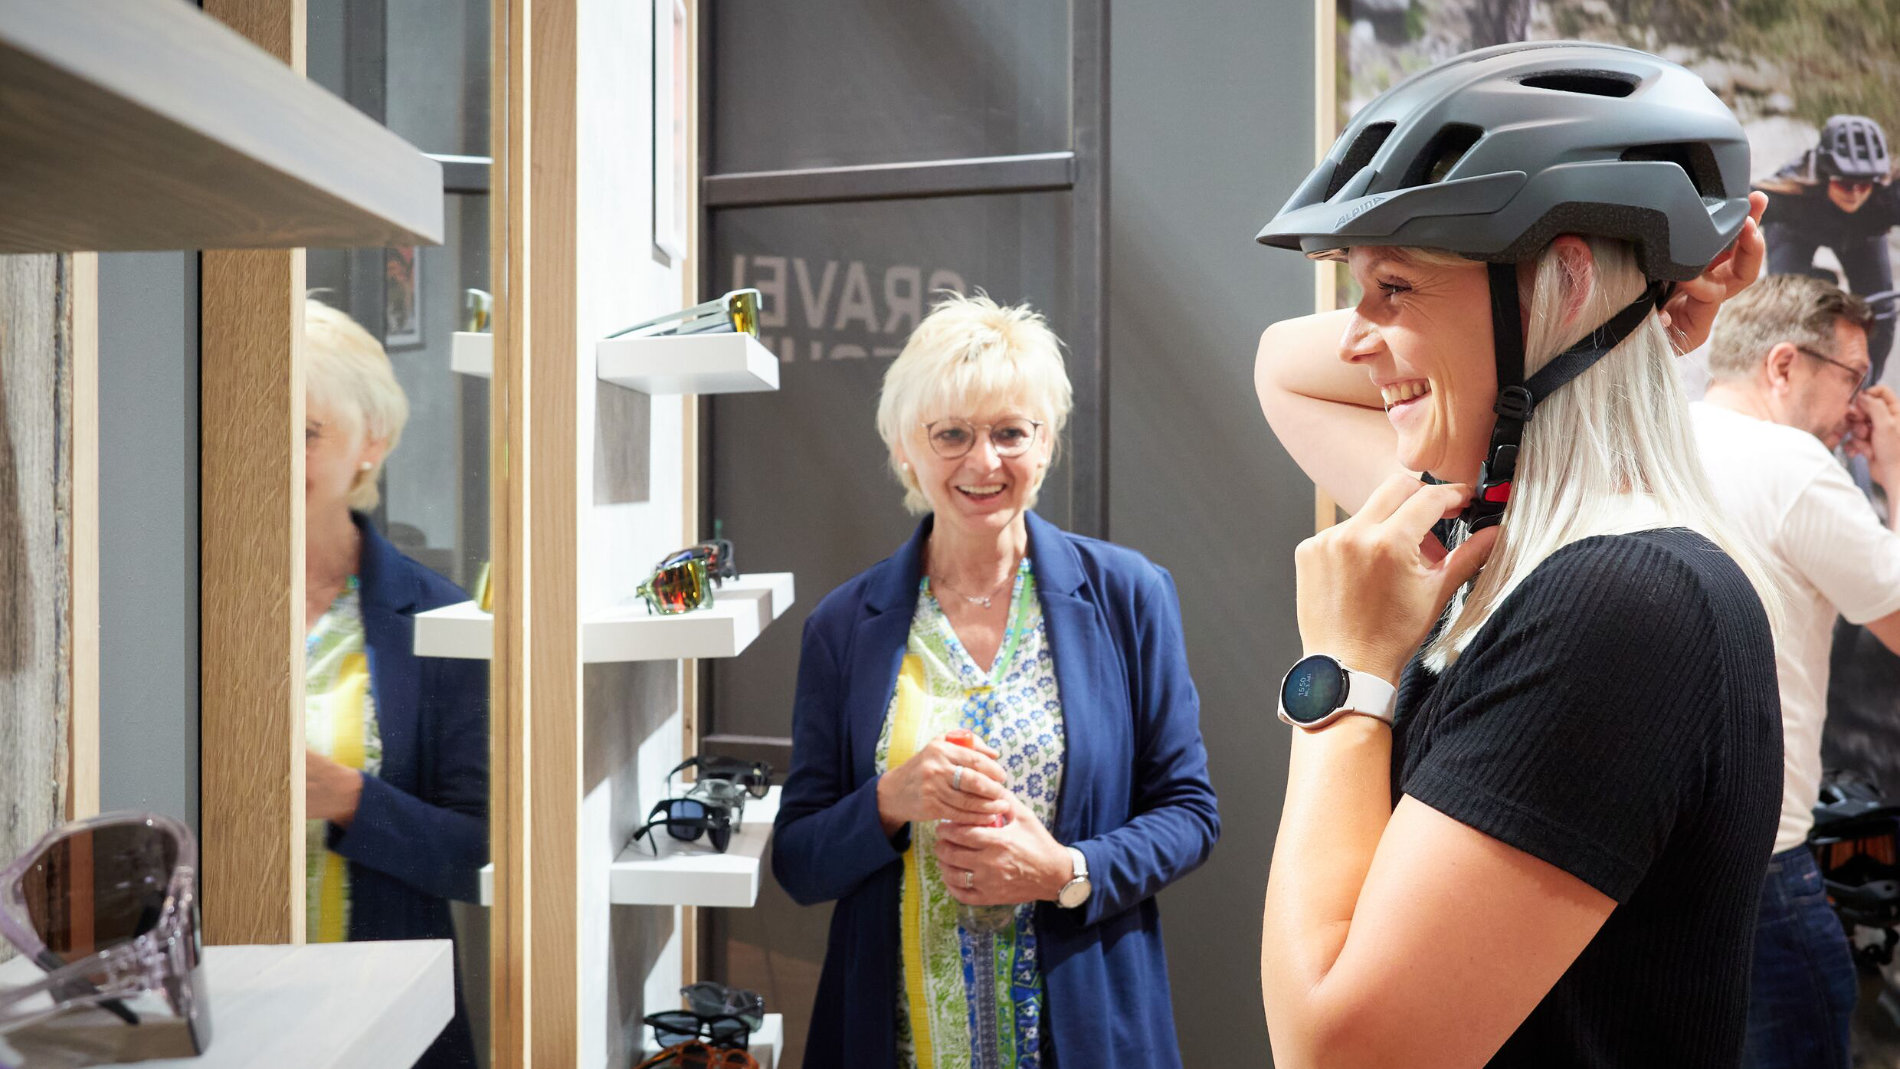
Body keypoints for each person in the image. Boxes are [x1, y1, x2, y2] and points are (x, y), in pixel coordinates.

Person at [1251, 42, 1783, 1067]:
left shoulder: (1624, 605)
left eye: (1393, 288)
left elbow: (1336, 1051)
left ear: (1563, 284)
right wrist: (1639, 319)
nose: (1354, 340)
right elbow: (1284, 368)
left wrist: (1342, 677)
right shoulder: (1518, 536)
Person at [772, 293, 1220, 1069]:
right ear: (906, 448)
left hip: (1084, 1037)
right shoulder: (844, 626)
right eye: (952, 434)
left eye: (1011, 431)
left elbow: (1189, 811)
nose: (984, 462)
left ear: (1045, 444)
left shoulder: (1128, 596)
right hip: (898, 1043)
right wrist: (890, 800)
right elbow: (800, 858)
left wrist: (1066, 871)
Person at [1696, 274, 1900, 1068]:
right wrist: (1892, 470)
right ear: (1784, 365)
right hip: (1760, 865)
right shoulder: (1791, 465)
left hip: (1651, 859)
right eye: (1852, 376)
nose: (1856, 406)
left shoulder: (1658, 437)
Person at [303, 299, 488, 1069]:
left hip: (384, 1013)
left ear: (370, 444)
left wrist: (345, 796)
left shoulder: (440, 619)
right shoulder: (189, 600)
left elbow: (479, 852)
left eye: (307, 434)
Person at [1756, 115, 1900, 384]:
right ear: (1825, 175)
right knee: (1787, 303)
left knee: (1883, 313)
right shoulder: (1792, 191)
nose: (1855, 193)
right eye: (1845, 183)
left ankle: (1862, 387)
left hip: (1862, 238)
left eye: (1865, 184)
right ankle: (1790, 376)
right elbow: (1740, 209)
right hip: (1795, 232)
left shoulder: (1889, 195)